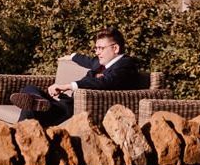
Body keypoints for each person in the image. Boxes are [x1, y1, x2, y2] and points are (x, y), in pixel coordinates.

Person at [10, 26, 140, 126]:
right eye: (96, 48)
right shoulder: (101, 63)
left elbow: (105, 82)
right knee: (29, 89)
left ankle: (19, 131)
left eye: (100, 48)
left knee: (30, 109)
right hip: (67, 102)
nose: (97, 52)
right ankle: (36, 100)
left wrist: (68, 86)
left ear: (115, 48)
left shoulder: (125, 65)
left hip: (77, 109)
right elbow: (88, 60)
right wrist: (72, 56)